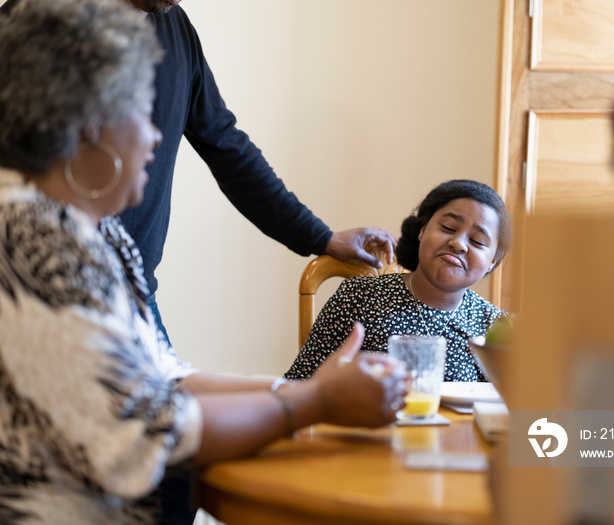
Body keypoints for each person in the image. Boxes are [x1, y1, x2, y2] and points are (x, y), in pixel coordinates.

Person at [0, 1, 406, 524]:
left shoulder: (98, 237)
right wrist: (317, 405)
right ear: (85, 126)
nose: (156, 135)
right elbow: (155, 434)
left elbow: (162, 379)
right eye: (139, 111)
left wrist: (307, 389)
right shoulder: (39, 245)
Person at [285, 179, 513, 383]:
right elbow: (299, 384)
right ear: (422, 231)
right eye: (448, 228)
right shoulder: (358, 296)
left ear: (492, 261)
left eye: (477, 241)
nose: (458, 243)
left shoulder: (494, 325)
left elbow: (509, 412)